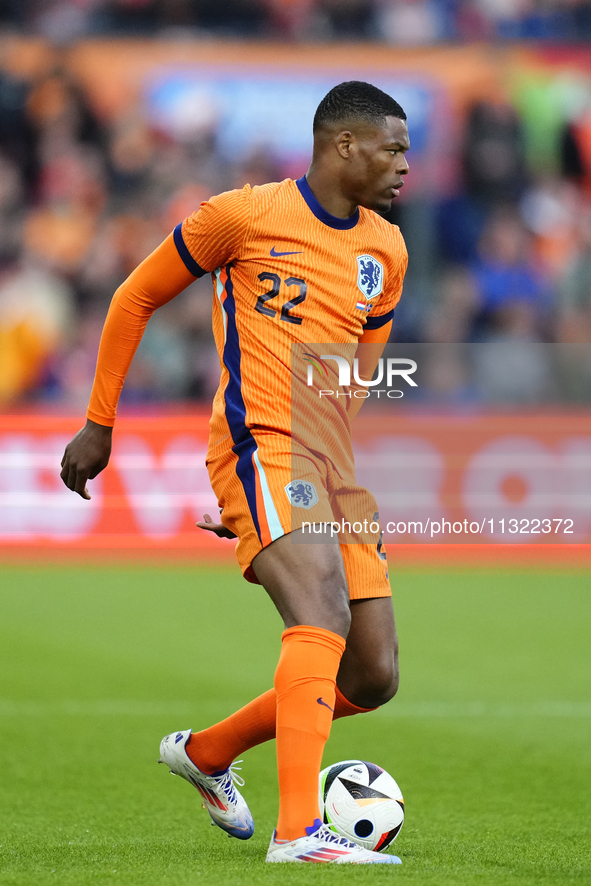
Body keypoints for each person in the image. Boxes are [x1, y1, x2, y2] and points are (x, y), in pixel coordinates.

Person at [60, 80, 410, 864]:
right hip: (261, 442)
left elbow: (353, 382)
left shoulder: (385, 249)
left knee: (375, 671)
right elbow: (133, 297)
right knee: (319, 609)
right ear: (343, 144)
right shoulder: (242, 215)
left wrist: (283, 502)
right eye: (393, 148)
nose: (403, 166)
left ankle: (209, 753)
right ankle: (298, 834)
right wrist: (99, 422)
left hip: (325, 463)